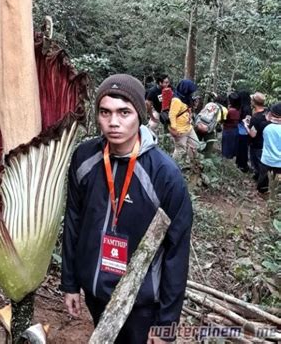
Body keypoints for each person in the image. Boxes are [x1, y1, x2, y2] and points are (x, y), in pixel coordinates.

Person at [61, 74, 192, 344]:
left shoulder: (164, 174)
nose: (114, 122)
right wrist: (71, 283)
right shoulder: (84, 158)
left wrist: (167, 323)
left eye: (124, 112)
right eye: (105, 112)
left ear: (140, 116)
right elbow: (73, 222)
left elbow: (177, 250)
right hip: (95, 291)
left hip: (141, 303)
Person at [168, 80, 199, 161]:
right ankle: (173, 166)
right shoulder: (176, 100)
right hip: (180, 130)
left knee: (195, 145)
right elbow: (172, 115)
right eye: (190, 91)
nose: (191, 93)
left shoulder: (186, 98)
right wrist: (174, 130)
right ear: (186, 90)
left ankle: (191, 163)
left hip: (188, 127)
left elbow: (187, 109)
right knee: (180, 150)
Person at [257, 102, 281, 194]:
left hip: (267, 159)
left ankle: (262, 193)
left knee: (263, 178)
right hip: (279, 161)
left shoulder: (266, 126)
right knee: (278, 181)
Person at [247, 92, 268, 182]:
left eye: (252, 100)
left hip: (256, 145)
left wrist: (245, 125)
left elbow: (253, 134)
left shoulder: (255, 117)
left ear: (254, 102)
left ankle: (261, 184)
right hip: (265, 143)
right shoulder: (267, 113)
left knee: (257, 164)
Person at [236, 90, 252, 172]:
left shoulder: (239, 107)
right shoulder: (247, 108)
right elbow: (248, 122)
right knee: (244, 150)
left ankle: (239, 164)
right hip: (244, 132)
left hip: (238, 130)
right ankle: (243, 166)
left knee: (240, 149)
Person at [222, 92, 241, 160]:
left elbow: (224, 119)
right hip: (235, 130)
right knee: (232, 147)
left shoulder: (230, 111)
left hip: (228, 130)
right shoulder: (238, 110)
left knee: (227, 148)